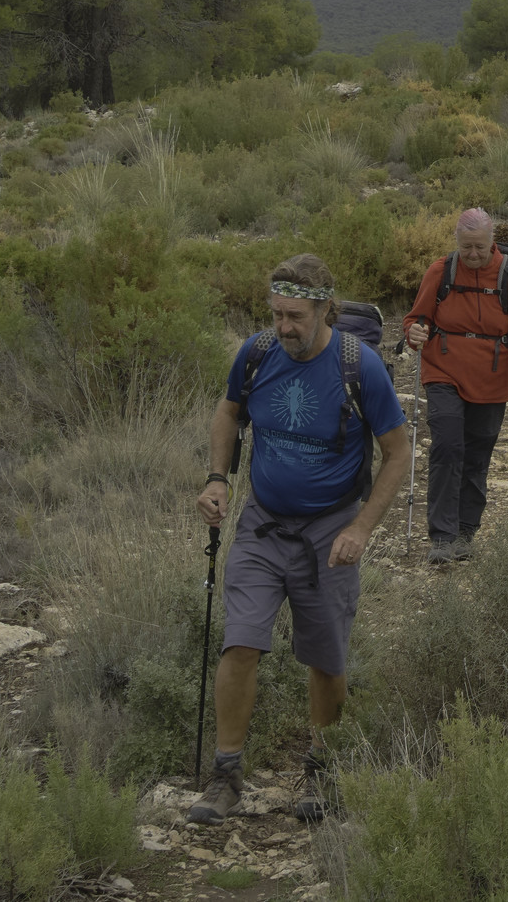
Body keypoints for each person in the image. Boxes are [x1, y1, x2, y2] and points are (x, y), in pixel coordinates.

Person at [190, 254, 411, 826]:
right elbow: (228, 412)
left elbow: (397, 452)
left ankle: (322, 767)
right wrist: (218, 479)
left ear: (323, 309)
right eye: (276, 313)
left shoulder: (358, 366)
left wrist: (361, 528)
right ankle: (226, 775)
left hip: (329, 532)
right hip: (263, 526)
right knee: (240, 643)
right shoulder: (257, 353)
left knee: (325, 652)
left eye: (294, 315)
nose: (283, 326)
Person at [401, 209, 508, 566]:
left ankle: (466, 530)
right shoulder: (440, 271)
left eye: (479, 247)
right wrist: (413, 332)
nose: (473, 255)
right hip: (443, 370)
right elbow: (416, 318)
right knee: (447, 446)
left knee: (477, 454)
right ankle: (442, 538)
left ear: (493, 243)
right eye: (466, 248)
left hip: (492, 378)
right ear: (457, 244)